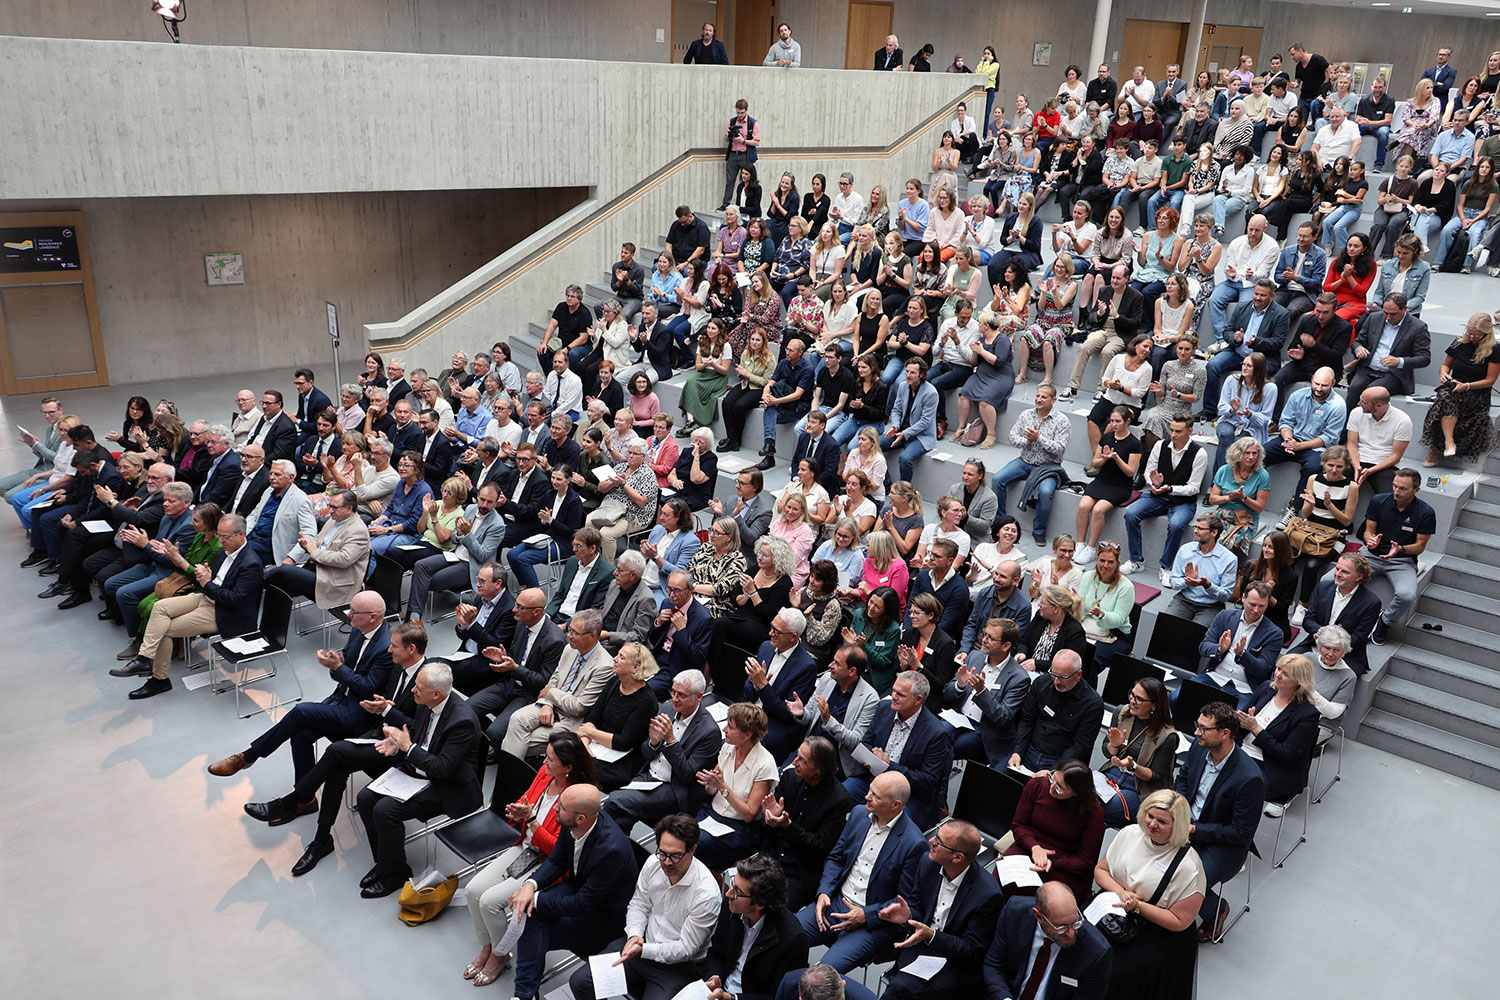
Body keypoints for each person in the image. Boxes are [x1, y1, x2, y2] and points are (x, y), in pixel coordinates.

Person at [206, 590, 393, 783]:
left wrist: (338, 667)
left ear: (373, 617)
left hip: (358, 712)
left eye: (354, 612)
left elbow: (369, 688)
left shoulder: (386, 647)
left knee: (301, 711)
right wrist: (336, 663)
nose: (348, 614)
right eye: (350, 609)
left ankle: (248, 756)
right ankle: (305, 798)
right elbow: (345, 668)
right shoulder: (358, 629)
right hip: (339, 699)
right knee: (301, 736)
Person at [461, 733, 596, 987]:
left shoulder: (575, 799)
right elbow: (528, 800)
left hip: (547, 863)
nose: (544, 762)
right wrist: (518, 811)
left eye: (551, 759)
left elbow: (559, 851)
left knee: (490, 902)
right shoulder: (545, 774)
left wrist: (532, 819)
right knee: (472, 890)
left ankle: (499, 957)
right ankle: (488, 946)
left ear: (568, 768)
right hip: (525, 848)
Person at [568, 813, 722, 1000]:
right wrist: (634, 935)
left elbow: (686, 949)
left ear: (692, 850)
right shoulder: (653, 864)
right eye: (663, 853)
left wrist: (644, 949)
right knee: (580, 982)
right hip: (640, 946)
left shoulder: (706, 894)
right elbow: (639, 904)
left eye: (675, 856)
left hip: (676, 967)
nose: (666, 862)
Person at [507, 784, 638, 1000]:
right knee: (530, 912)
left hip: (602, 916)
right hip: (578, 887)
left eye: (561, 807)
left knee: (533, 927)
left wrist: (535, 898)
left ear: (580, 818)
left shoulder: (611, 850)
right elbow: (557, 861)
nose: (556, 809)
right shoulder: (574, 825)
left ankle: (525, 995)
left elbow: (583, 904)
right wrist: (529, 886)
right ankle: (525, 994)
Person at [795, 771, 927, 973]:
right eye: (869, 790)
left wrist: (865, 915)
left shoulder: (914, 844)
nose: (867, 796)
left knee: (822, 975)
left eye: (876, 795)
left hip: (870, 921)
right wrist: (823, 892)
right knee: (782, 938)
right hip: (834, 902)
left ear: (896, 805)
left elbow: (905, 902)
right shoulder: (858, 814)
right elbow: (836, 858)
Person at [868, 819, 1003, 1000]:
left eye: (938, 842)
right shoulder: (928, 862)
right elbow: (917, 907)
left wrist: (932, 936)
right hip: (919, 947)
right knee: (899, 985)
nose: (930, 841)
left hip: (954, 964)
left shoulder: (987, 895)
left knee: (898, 989)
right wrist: (908, 915)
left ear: (957, 858)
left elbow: (972, 952)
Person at [1091, 790, 1205, 1000]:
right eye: (1150, 816)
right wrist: (1122, 893)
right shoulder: (1129, 834)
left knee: (1115, 973)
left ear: (1177, 826)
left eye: (1162, 821)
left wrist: (1137, 907)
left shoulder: (1189, 867)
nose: (1152, 824)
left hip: (1156, 929)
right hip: (1115, 905)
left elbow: (1180, 921)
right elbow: (1101, 870)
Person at [1173, 701, 1264, 937]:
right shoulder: (1199, 746)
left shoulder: (1249, 778)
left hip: (1221, 844)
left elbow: (1240, 833)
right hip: (1187, 825)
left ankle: (1217, 910)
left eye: (1203, 729)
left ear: (1225, 734)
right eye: (1197, 726)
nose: (1196, 733)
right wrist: (1181, 811)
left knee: (1187, 882)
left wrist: (1194, 829)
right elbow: (1183, 778)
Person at [604, 667, 722, 831]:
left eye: (681, 695)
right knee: (621, 818)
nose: (674, 698)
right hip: (647, 777)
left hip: (672, 789)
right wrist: (653, 742)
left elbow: (687, 775)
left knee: (613, 801)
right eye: (673, 692)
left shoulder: (710, 732)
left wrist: (670, 740)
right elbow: (645, 754)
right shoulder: (666, 708)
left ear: (699, 697)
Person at [501, 609, 615, 759]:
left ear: (592, 636)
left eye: (575, 633)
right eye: (570, 630)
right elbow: (554, 679)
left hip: (570, 720)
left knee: (520, 741)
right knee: (516, 719)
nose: (568, 636)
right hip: (551, 705)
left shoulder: (604, 666)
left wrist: (550, 694)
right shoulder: (569, 649)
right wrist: (547, 703)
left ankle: (509, 778)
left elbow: (579, 707)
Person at [703, 855, 811, 1000]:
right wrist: (714, 977)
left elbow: (779, 997)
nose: (728, 894)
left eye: (737, 892)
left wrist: (732, 998)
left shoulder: (793, 939)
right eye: (733, 885)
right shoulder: (731, 907)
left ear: (760, 904)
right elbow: (715, 954)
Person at [980, 883, 1112, 1000]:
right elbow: (993, 965)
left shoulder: (1096, 952)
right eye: (1062, 927)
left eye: (1075, 923)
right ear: (1038, 916)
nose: (1071, 933)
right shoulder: (1015, 913)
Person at [692, 702, 779, 871]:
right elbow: (712, 790)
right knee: (676, 831)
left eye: (730, 727)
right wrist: (711, 784)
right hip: (711, 814)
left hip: (740, 828)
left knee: (691, 843)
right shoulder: (728, 747)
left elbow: (749, 814)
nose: (724, 730)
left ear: (747, 734)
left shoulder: (765, 764)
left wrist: (723, 787)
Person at [1003, 760, 1105, 899]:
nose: (1051, 788)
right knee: (1002, 882)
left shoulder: (1093, 813)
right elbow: (1019, 825)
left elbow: (1085, 861)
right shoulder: (1038, 785)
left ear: (1076, 793)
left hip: (1065, 865)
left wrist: (1053, 864)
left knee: (1049, 902)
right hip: (1029, 846)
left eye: (1059, 788)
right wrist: (1034, 847)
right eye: (1052, 778)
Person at [1122, 416, 1206, 581]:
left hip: (1183, 502)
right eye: (1172, 430)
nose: (1173, 434)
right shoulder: (1160, 445)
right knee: (1131, 514)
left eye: (1178, 431)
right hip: (1157, 496)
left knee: (1176, 525)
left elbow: (1194, 487)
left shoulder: (1199, 453)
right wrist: (1152, 482)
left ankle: (1166, 566)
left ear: (1190, 431)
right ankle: (1136, 560)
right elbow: (1149, 470)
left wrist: (1170, 488)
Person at [1237, 654, 1320, 817]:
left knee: (1234, 785)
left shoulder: (1308, 714)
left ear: (1299, 681)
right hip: (1240, 750)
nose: (1278, 675)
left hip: (1270, 767)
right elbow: (1244, 719)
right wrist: (1238, 720)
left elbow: (1286, 755)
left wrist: (1256, 729)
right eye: (1278, 668)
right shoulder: (1266, 688)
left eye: (1286, 674)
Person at [990, 384, 1070, 546]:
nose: (1039, 399)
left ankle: (1039, 531)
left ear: (1053, 400)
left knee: (1046, 492)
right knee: (998, 479)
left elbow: (1059, 449)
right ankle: (1000, 522)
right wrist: (1027, 441)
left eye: (1044, 397)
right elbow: (1012, 437)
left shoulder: (1062, 421)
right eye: (1038, 396)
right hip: (1024, 461)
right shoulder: (1026, 414)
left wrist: (1039, 438)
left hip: (1047, 467)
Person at [1364, 469, 1436, 646]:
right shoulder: (1378, 501)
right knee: (1331, 579)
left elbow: (1420, 546)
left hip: (1402, 561)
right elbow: (1368, 531)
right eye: (1394, 486)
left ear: (1416, 490)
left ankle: (1384, 622)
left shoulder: (1426, 512)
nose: (1396, 491)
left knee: (1406, 595)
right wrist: (1370, 540)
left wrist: (1401, 549)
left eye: (1402, 488)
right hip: (1371, 555)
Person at [741, 610, 820, 762]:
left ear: (793, 637)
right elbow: (747, 690)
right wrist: (756, 685)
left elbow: (787, 714)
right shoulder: (765, 647)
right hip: (750, 710)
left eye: (777, 631)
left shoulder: (806, 667)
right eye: (772, 627)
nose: (771, 633)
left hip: (774, 725)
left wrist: (763, 687)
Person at [1422, 311, 1499, 464]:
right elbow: (1446, 365)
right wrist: (1444, 374)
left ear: (1485, 334)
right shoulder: (1459, 343)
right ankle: (1448, 442)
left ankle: (1435, 449)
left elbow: (1490, 380)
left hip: (1476, 391)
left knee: (1444, 401)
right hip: (1454, 386)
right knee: (1447, 397)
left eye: (1476, 336)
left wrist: (1467, 386)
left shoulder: (1494, 350)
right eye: (1469, 334)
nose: (1472, 338)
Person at [1007, 648, 1102, 771]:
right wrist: (1017, 752)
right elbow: (1026, 720)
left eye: (1062, 677)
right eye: (1054, 674)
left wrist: (1054, 771)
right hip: (1029, 750)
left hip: (1059, 760)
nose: (1056, 681)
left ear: (1078, 675)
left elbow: (1081, 746)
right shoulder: (1041, 684)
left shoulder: (1092, 704)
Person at [1345, 293, 1431, 407]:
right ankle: (1349, 423)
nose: (1388, 317)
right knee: (1354, 388)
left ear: (1405, 309)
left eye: (1393, 314)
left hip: (1394, 375)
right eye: (1385, 313)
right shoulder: (1374, 318)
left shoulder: (1418, 327)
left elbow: (1424, 358)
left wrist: (1399, 361)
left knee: (1372, 393)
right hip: (1368, 368)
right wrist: (1359, 349)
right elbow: (1357, 341)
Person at [1165, 515, 1239, 624]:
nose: (1195, 531)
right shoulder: (1185, 550)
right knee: (1165, 626)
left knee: (1196, 634)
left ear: (1214, 532)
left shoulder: (1229, 559)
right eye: (1195, 527)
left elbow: (1226, 595)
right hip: (1184, 600)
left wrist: (1208, 586)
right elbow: (1174, 582)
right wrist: (1187, 581)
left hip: (1211, 606)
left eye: (1200, 528)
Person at [882, 359, 939, 483]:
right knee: (875, 445)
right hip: (901, 431)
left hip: (921, 436)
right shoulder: (903, 386)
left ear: (922, 374)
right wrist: (896, 426)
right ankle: (886, 483)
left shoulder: (931, 393)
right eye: (907, 371)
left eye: (912, 372)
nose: (908, 375)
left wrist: (905, 434)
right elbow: (896, 409)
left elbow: (925, 422)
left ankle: (904, 492)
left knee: (905, 458)